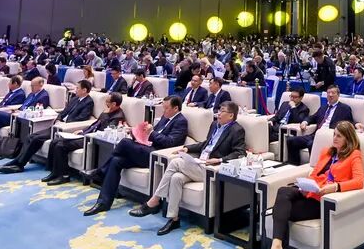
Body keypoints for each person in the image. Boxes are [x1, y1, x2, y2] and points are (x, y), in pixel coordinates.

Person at [259, 121, 364, 249]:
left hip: (322, 201)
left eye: (339, 136)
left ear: (348, 139)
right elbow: (315, 173)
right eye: (334, 135)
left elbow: (359, 181)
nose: (334, 138)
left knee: (279, 209)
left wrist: (336, 187)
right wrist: (305, 184)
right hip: (310, 191)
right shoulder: (327, 152)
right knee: (283, 191)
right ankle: (277, 248)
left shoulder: (354, 155)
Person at [128, 102, 246, 235]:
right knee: (176, 178)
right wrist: (187, 148)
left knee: (175, 162)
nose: (218, 114)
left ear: (231, 115)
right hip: (199, 163)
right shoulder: (214, 125)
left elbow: (240, 153)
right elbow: (206, 144)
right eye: (218, 110)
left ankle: (154, 200)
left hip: (210, 169)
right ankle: (173, 219)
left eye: (222, 111)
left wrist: (219, 160)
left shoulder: (237, 130)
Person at [84, 95, 188, 214]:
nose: (164, 111)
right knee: (116, 161)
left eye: (166, 108)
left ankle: (101, 172)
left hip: (157, 157)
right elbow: (152, 135)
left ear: (176, 108)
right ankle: (103, 203)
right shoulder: (165, 118)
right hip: (147, 148)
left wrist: (151, 132)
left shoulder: (181, 121)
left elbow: (170, 142)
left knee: (124, 143)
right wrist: (138, 132)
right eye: (163, 108)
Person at [0, 80, 95, 173]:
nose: (75, 90)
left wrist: (64, 124)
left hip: (66, 128)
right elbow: (63, 112)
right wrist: (58, 119)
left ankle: (20, 164)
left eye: (77, 88)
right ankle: (17, 161)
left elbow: (82, 118)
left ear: (84, 90)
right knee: (30, 136)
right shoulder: (74, 99)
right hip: (58, 124)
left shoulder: (88, 102)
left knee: (36, 139)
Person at [43, 92, 127, 185]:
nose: (105, 103)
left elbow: (105, 131)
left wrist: (105, 114)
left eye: (107, 102)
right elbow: (95, 124)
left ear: (114, 104)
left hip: (91, 140)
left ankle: (64, 176)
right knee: (55, 141)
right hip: (86, 134)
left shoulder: (118, 116)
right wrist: (83, 131)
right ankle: (54, 172)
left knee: (61, 145)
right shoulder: (108, 111)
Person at [286, 85, 353, 165]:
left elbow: (349, 123)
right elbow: (313, 117)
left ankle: (313, 167)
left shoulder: (344, 108)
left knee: (311, 144)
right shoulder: (323, 107)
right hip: (315, 135)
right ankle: (294, 166)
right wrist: (305, 122)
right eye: (328, 93)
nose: (330, 95)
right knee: (291, 141)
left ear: (338, 95)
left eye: (333, 93)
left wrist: (357, 124)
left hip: (329, 136)